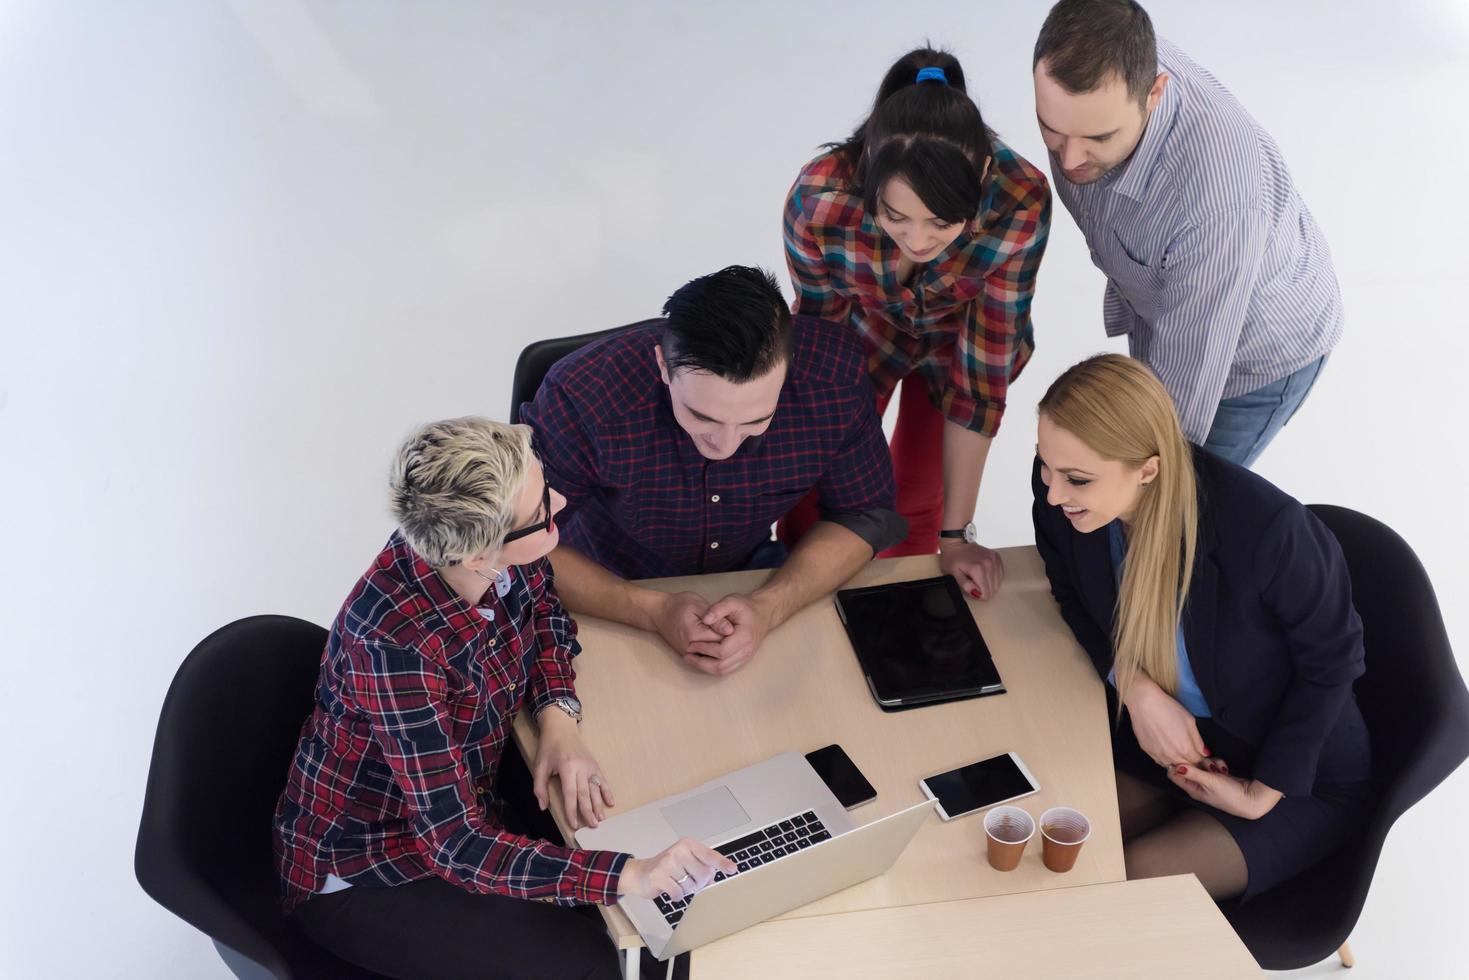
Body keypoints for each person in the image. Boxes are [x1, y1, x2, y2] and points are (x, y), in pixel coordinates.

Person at [273, 417, 733, 979]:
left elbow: (547, 617)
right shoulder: (393, 648)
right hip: (370, 867)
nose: (559, 502)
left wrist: (558, 716)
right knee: (598, 957)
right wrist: (628, 875)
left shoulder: (492, 550)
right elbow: (455, 844)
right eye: (543, 508)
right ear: (478, 556)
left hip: (471, 797)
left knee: (643, 908)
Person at [1031, 354, 1370, 900]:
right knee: (1053, 843)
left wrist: (1262, 793)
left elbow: (1332, 665)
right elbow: (1069, 594)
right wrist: (1136, 688)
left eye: (1076, 479)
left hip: (1292, 778)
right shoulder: (1065, 498)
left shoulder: (1267, 532)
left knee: (1132, 883)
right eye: (1045, 466)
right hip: (1169, 747)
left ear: (1148, 468)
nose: (1051, 494)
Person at [519, 266, 905, 676]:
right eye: (703, 417)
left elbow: (863, 514)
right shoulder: (584, 394)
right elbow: (520, 543)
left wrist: (771, 605)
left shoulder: (834, 374)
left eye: (756, 421)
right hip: (605, 586)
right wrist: (651, 610)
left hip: (751, 577)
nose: (725, 446)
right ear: (664, 367)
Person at [782, 45, 1051, 602]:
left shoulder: (1018, 202)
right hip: (857, 337)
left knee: (918, 498)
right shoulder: (820, 200)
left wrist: (956, 536)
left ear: (980, 175)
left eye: (943, 222)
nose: (920, 242)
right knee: (810, 495)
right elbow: (818, 348)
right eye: (896, 217)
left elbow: (982, 378)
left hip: (959, 348)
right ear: (870, 175)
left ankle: (904, 614)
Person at [1033, 0, 1342, 467]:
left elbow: (1177, 415)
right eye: (1052, 131)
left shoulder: (1217, 202)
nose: (1070, 159)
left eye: (1099, 139)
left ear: (1154, 94)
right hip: (1168, 313)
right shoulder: (1089, 66)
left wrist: (1146, 483)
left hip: (1256, 357)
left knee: (1182, 505)